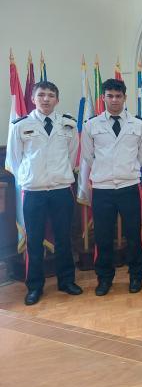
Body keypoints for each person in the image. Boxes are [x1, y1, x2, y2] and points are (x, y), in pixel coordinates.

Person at [5, 81, 81, 306]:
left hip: (61, 189)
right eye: (41, 95)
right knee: (34, 240)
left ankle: (66, 281)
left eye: (50, 95)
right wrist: (31, 178)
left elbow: (72, 155)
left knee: (64, 238)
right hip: (34, 191)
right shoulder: (20, 125)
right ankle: (35, 287)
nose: (46, 99)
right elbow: (15, 160)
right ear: (33, 98)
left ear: (57, 99)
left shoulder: (68, 125)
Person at [79, 78, 142, 296]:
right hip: (103, 188)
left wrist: (126, 170)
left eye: (118, 96)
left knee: (133, 235)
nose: (114, 100)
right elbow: (88, 157)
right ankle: (105, 278)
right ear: (103, 98)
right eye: (110, 96)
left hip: (128, 186)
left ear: (125, 98)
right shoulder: (91, 125)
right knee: (103, 236)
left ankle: (136, 275)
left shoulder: (138, 124)